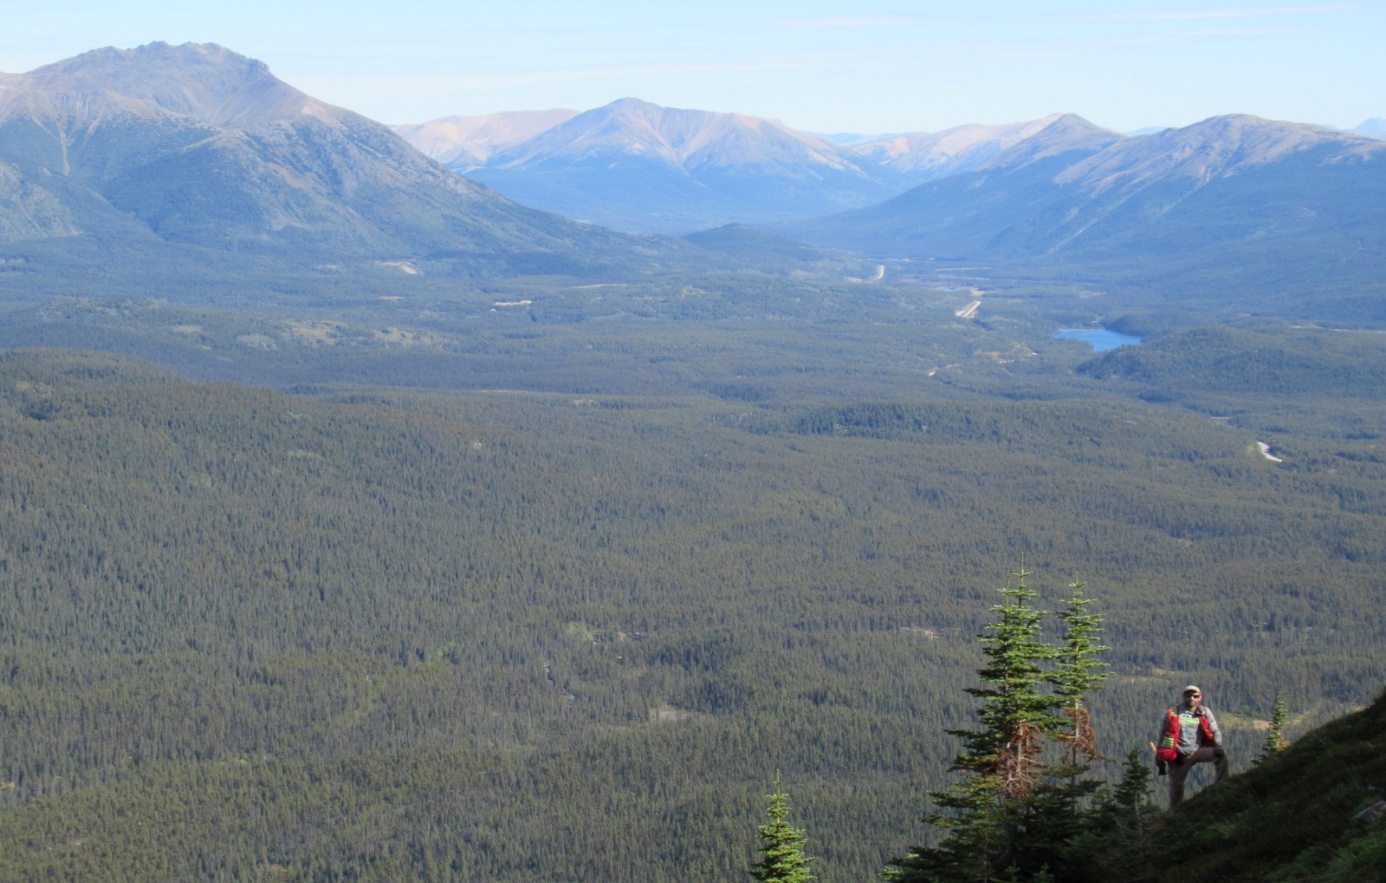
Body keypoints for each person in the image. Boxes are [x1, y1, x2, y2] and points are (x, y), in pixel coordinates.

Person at [1154, 684, 1229, 808]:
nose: (1192, 698)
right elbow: (1164, 734)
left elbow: (1215, 730)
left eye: (1195, 696)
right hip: (1178, 755)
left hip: (1197, 751)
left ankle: (1221, 784)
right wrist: (1160, 756)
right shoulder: (1173, 712)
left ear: (1200, 698)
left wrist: (1218, 745)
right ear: (1184, 697)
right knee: (1176, 789)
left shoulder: (1204, 712)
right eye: (1189, 695)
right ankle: (1175, 813)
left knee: (1221, 755)